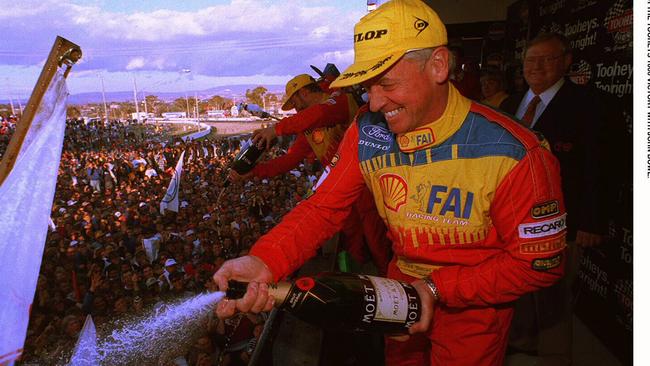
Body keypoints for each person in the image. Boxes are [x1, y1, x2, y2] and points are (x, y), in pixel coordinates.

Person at [213, 1, 567, 365]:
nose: (376, 102)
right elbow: (322, 208)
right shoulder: (367, 130)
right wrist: (264, 260)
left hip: (474, 308)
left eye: (386, 83)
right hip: (395, 297)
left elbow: (540, 263)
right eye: (368, 87)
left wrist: (435, 288)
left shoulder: (517, 151)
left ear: (438, 66)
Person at [500, 33, 613, 365]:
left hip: (562, 221)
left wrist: (591, 222)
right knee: (516, 288)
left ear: (566, 61)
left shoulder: (590, 105)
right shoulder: (511, 104)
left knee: (554, 296)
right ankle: (521, 340)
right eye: (531, 59)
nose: (537, 66)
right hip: (511, 218)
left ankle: (554, 357)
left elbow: (600, 168)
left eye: (547, 59)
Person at [229, 73, 391, 274]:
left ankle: (392, 283)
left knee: (376, 238)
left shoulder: (338, 101)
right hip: (340, 188)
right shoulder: (309, 127)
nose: (295, 108)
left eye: (294, 101)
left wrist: (277, 129)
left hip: (366, 182)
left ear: (304, 92)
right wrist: (254, 172)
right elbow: (290, 160)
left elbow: (320, 114)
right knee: (353, 240)